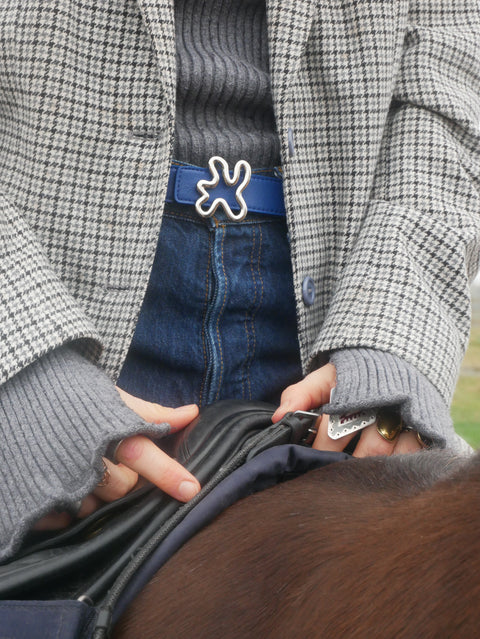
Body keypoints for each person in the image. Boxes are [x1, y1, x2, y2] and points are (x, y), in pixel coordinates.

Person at [0, 0, 478, 561]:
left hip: (344, 326)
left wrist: (393, 336)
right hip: (47, 300)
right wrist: (20, 363)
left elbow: (454, 62)